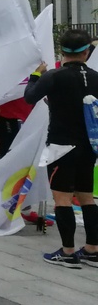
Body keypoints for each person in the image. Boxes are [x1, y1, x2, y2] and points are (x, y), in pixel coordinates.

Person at [24, 28, 98, 268]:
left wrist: (36, 75)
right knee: (87, 197)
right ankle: (92, 249)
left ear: (62, 51)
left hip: (61, 145)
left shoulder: (54, 76)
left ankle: (67, 252)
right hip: (89, 146)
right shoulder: (96, 76)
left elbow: (29, 97)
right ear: (87, 52)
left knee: (62, 198)